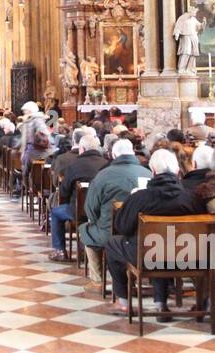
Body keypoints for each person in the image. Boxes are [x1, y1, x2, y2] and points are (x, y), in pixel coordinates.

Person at [104, 148, 201, 318]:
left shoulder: (140, 198)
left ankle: (124, 302)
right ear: (178, 171)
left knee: (113, 244)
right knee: (162, 247)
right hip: (186, 257)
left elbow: (122, 227)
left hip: (146, 256)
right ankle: (160, 304)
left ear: (153, 171)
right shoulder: (191, 198)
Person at [79, 138, 151, 288]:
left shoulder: (103, 175)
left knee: (85, 231)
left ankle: (97, 280)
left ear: (112, 155)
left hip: (109, 231)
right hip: (143, 233)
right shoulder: (148, 173)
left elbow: (90, 208)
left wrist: (95, 221)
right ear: (133, 152)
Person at [47, 135, 108, 263]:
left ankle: (60, 250)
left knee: (55, 212)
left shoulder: (74, 165)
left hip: (77, 210)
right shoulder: (106, 164)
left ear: (82, 149)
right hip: (101, 212)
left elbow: (64, 192)